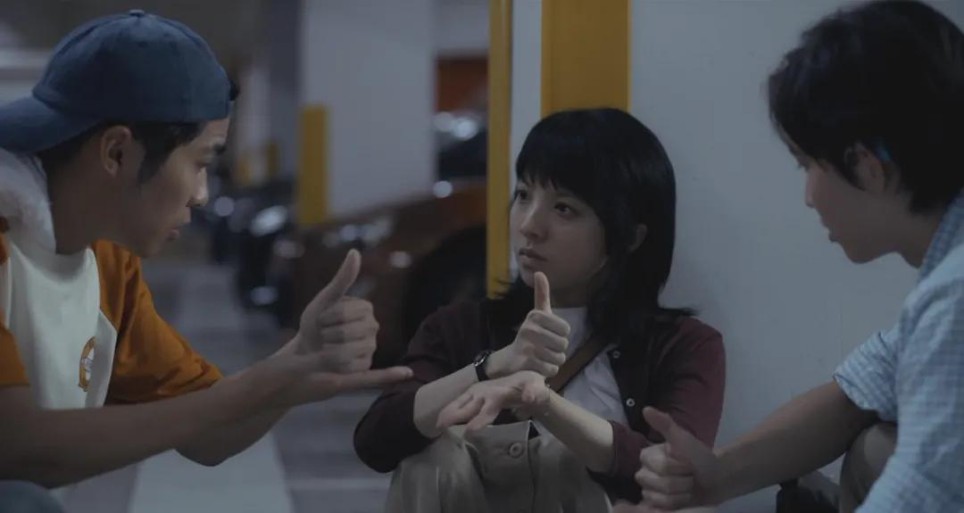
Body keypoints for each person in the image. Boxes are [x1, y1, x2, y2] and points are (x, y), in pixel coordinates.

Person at [0, 9, 410, 508]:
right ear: (116, 153)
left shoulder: (107, 264)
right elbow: (20, 449)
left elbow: (209, 434)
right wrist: (263, 384)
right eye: (200, 162)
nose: (201, 194)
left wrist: (298, 363)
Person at [615, 1, 964, 512]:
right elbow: (856, 394)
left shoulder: (954, 297)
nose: (808, 197)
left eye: (807, 165)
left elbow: (920, 493)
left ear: (867, 167)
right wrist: (717, 475)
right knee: (873, 447)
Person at [354, 108, 726, 512]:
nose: (529, 225)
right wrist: (490, 367)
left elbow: (676, 475)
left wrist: (544, 404)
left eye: (564, 208)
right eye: (523, 195)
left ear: (629, 237)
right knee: (430, 460)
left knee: (564, 460)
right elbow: (376, 441)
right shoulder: (458, 327)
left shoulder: (684, 346)